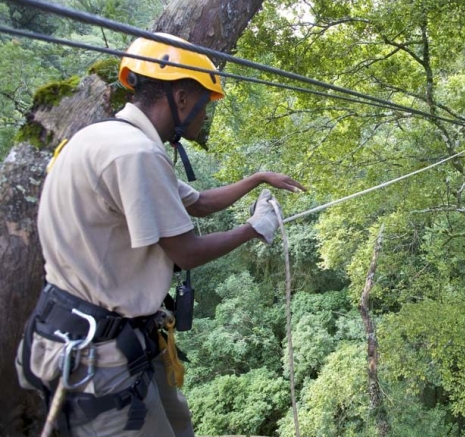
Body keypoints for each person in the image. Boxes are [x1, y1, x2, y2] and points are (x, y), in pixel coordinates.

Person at [15, 33, 306, 437]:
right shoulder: (137, 154)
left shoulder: (104, 137)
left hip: (102, 333)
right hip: (99, 355)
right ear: (183, 98)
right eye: (205, 106)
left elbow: (198, 202)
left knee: (179, 425)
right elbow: (184, 252)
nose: (205, 118)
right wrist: (252, 230)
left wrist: (256, 179)